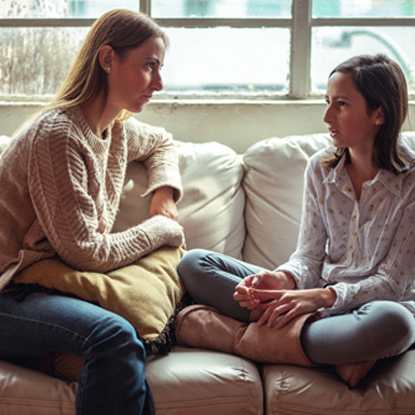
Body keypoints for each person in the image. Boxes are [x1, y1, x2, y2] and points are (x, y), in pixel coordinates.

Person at [175, 54, 415, 387]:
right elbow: (309, 256)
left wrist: (320, 299)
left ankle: (238, 337)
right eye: (327, 102)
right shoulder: (321, 168)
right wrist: (283, 280)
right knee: (194, 263)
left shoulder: (411, 182)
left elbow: (392, 284)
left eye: (341, 104)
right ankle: (330, 351)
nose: (327, 116)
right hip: (315, 299)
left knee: (395, 323)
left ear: (380, 113)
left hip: (370, 307)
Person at [0, 9, 185, 415]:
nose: (159, 83)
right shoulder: (58, 135)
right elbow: (87, 252)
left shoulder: (113, 128)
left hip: (48, 287)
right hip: (8, 291)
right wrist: (161, 229)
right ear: (107, 60)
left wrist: (165, 194)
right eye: (149, 67)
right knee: (113, 336)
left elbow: (163, 142)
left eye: (160, 68)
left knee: (123, 347)